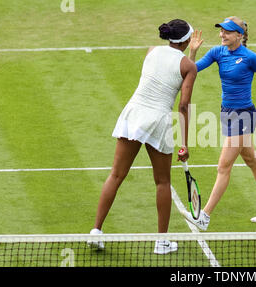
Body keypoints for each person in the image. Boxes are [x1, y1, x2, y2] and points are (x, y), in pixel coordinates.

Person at [88, 19, 197, 254]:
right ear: (187, 40)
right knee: (163, 182)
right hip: (158, 121)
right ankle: (161, 242)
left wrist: (192, 56)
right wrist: (185, 143)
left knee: (116, 175)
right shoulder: (189, 66)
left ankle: (96, 231)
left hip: (133, 114)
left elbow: (167, 72)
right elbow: (184, 104)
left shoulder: (151, 51)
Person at [184, 16, 256, 231]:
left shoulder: (251, 57)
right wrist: (192, 52)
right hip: (227, 114)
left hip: (244, 116)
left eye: (227, 32)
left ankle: (204, 216)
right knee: (250, 159)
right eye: (221, 31)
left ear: (239, 35)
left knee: (223, 166)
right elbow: (191, 70)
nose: (222, 34)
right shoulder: (217, 52)